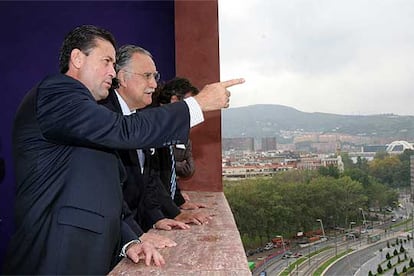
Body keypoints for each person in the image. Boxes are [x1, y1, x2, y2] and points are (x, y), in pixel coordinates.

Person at [3, 25, 243, 275]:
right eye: (106, 61)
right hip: (54, 257)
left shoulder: (87, 117)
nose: (112, 72)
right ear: (77, 58)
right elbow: (124, 130)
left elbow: (102, 192)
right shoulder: (56, 93)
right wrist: (197, 104)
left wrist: (129, 240)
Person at [156, 77, 207, 210]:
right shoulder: (154, 128)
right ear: (174, 100)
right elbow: (152, 181)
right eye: (191, 106)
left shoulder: (169, 129)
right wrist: (173, 211)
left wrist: (179, 202)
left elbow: (168, 173)